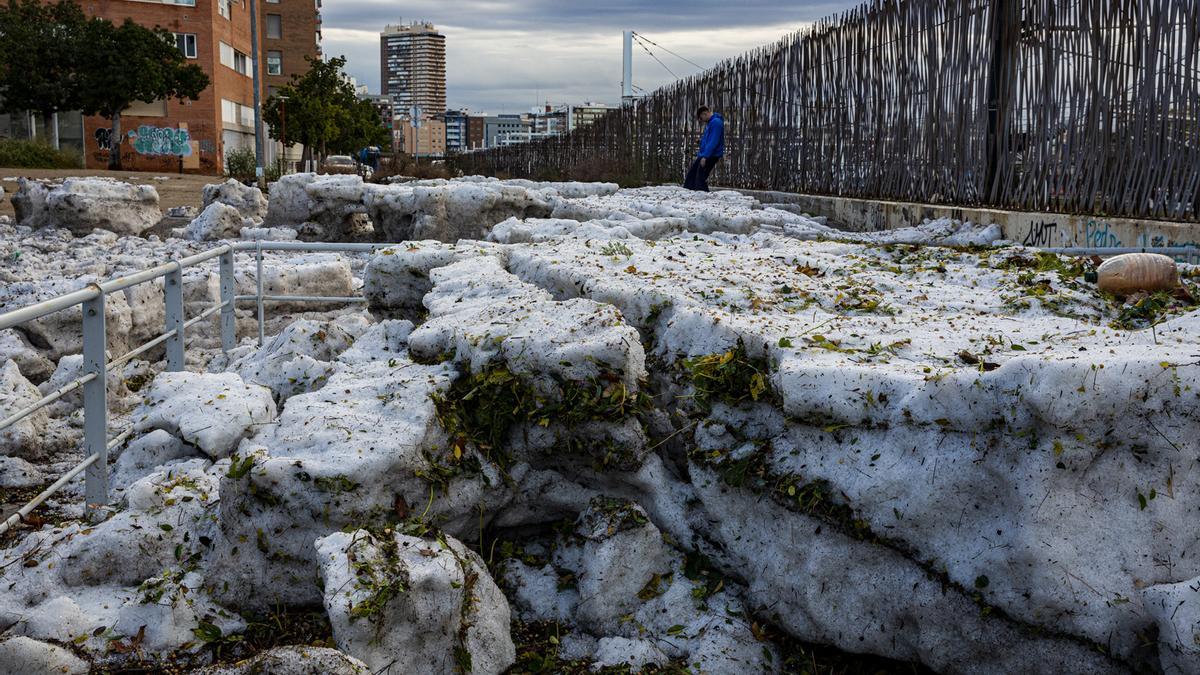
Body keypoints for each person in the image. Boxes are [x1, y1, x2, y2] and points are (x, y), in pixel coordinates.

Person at [684, 106, 724, 191]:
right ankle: (690, 196)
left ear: (704, 114)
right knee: (692, 176)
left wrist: (705, 157)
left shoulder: (716, 123)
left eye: (701, 119)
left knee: (700, 179)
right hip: (706, 154)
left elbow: (713, 141)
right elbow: (709, 139)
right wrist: (701, 142)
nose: (702, 121)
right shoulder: (711, 123)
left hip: (711, 155)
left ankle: (704, 200)